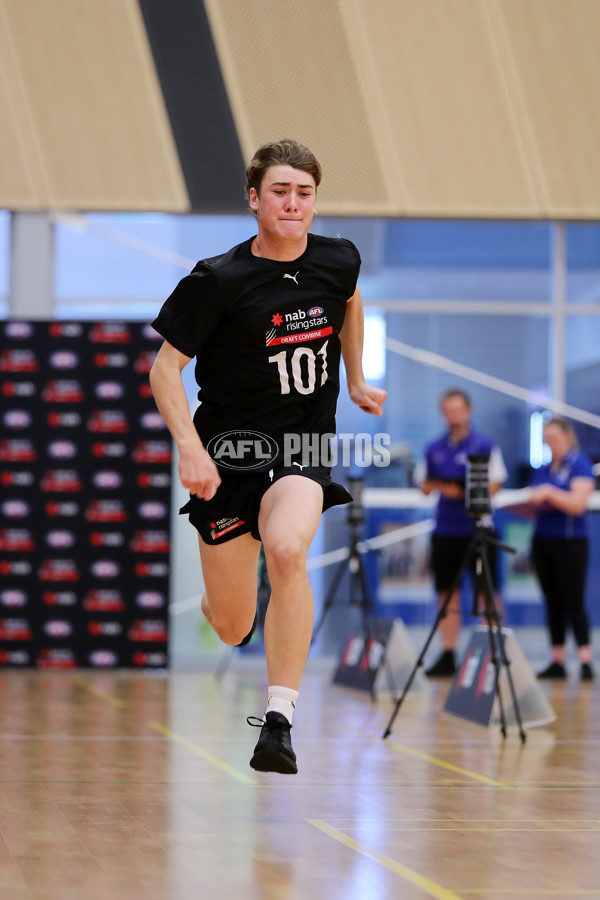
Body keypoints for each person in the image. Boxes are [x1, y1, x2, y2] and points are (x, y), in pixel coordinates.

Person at [149, 139, 386, 774]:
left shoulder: (339, 260)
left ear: (314, 201)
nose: (292, 203)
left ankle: (278, 719)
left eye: (303, 193)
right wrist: (191, 452)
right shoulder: (217, 280)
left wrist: (357, 378)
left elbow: (350, 300)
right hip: (227, 455)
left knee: (286, 549)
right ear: (254, 199)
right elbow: (165, 370)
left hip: (303, 444)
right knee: (232, 625)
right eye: (279, 191)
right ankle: (220, 602)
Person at [416, 389, 507, 676]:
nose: (453, 415)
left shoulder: (484, 444)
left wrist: (464, 491)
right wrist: (445, 488)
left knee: (487, 593)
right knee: (445, 594)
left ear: (468, 410)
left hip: (479, 529)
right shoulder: (434, 447)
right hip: (446, 531)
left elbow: (496, 483)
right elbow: (424, 484)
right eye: (448, 410)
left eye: (458, 409)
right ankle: (447, 653)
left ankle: (495, 652)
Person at [529, 417, 595, 680]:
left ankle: (585, 660)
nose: (551, 444)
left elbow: (578, 503)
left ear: (568, 436)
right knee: (552, 600)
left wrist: (549, 493)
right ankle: (557, 660)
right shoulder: (544, 469)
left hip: (571, 543)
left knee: (573, 600)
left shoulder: (579, 464)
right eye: (547, 440)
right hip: (543, 540)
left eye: (555, 439)